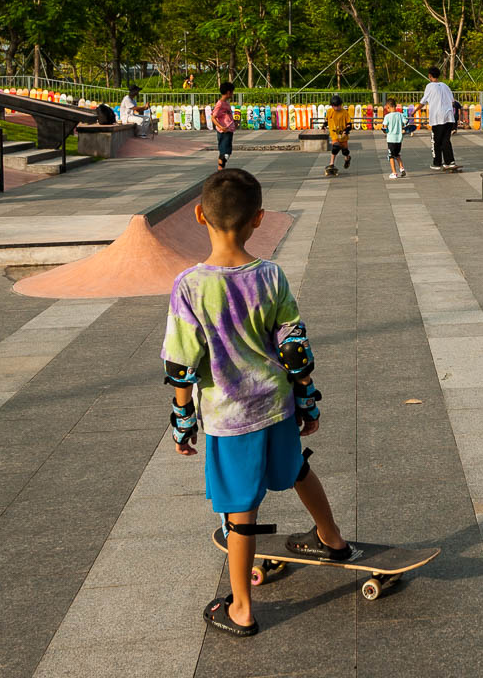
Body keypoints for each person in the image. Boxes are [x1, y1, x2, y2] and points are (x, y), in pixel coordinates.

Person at [163, 168, 351, 637]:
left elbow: (182, 366)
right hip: (277, 402)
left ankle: (241, 608)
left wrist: (182, 421)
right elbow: (294, 348)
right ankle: (331, 539)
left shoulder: (189, 286)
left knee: (240, 507)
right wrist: (307, 400)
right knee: (296, 469)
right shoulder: (270, 274)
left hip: (231, 417)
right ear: (260, 219)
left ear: (199, 214)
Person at [416, 65, 458, 171]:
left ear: (430, 76)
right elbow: (453, 101)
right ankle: (450, 162)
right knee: (446, 140)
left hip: (437, 118)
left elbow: (423, 102)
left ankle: (437, 163)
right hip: (449, 117)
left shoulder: (429, 86)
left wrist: (415, 111)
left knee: (436, 140)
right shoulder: (445, 86)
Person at [212, 81, 238, 171]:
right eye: (232, 92)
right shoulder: (220, 104)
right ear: (228, 92)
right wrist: (221, 127)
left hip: (229, 130)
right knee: (224, 153)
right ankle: (220, 171)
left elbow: (226, 116)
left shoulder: (226, 103)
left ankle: (221, 169)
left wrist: (234, 122)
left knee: (227, 152)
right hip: (224, 131)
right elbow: (213, 117)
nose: (232, 94)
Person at [324, 93, 351, 175]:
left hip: (343, 136)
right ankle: (331, 164)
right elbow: (326, 120)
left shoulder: (345, 113)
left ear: (341, 105)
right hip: (334, 134)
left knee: (345, 151)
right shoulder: (330, 111)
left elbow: (349, 124)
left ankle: (347, 158)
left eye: (337, 106)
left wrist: (346, 130)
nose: (336, 108)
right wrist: (324, 125)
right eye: (334, 106)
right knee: (335, 147)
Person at [381, 98, 408, 179]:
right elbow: (406, 122)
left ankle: (394, 173)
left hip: (391, 139)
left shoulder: (387, 116)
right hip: (399, 139)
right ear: (395, 106)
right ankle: (402, 168)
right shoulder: (400, 115)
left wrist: (384, 131)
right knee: (397, 154)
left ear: (388, 107)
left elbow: (384, 127)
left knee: (391, 156)